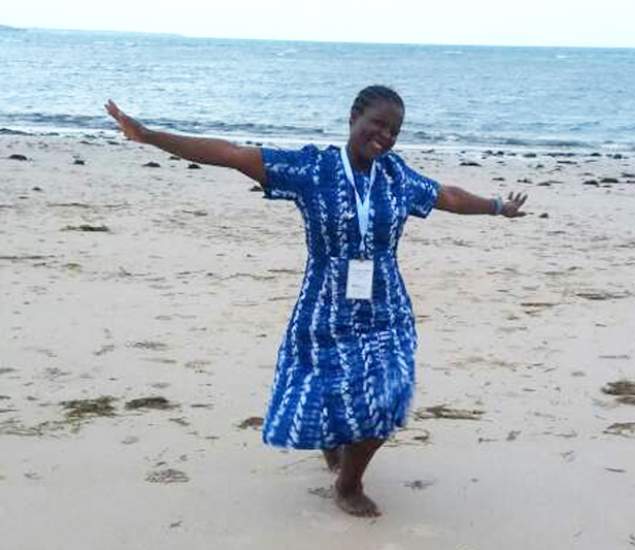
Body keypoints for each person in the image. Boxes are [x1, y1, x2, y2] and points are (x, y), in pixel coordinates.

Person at [105, 85, 527, 518]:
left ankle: (348, 483)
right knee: (329, 388)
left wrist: (496, 206)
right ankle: (332, 442)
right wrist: (150, 135)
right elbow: (232, 154)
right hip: (324, 306)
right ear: (353, 119)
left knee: (390, 394)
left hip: (387, 307)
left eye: (394, 130)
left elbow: (449, 197)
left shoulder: (397, 176)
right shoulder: (313, 168)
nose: (385, 136)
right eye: (377, 124)